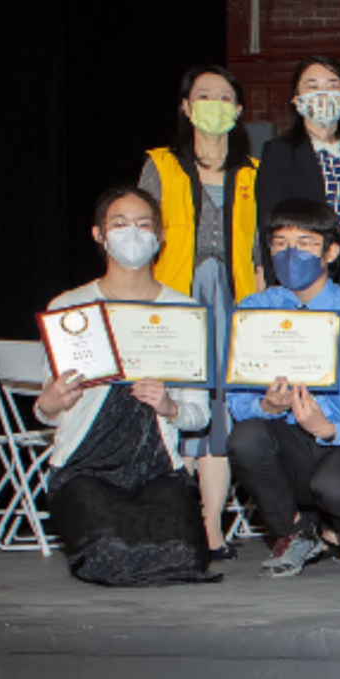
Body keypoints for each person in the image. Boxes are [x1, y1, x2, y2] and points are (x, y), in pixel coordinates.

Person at [35, 187, 214, 587]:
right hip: (85, 466)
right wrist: (49, 401)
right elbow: (46, 410)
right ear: (99, 234)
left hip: (156, 468)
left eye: (142, 224)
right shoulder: (69, 307)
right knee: (108, 554)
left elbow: (199, 416)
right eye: (119, 224)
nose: (132, 234)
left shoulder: (183, 311)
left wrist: (170, 407)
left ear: (160, 236)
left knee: (185, 555)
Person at [225, 199, 340, 578]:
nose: (291, 254)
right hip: (289, 443)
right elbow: (237, 400)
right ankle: (295, 532)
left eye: (305, 243)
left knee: (335, 486)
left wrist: (328, 429)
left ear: (330, 252)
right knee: (246, 439)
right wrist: (268, 406)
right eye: (280, 244)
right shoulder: (254, 311)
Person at [140, 63, 260, 560]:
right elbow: (141, 238)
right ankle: (175, 522)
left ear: (238, 109)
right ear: (187, 108)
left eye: (225, 96)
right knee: (175, 407)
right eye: (204, 95)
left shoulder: (253, 172)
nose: (216, 104)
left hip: (234, 304)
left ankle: (212, 528)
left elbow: (259, 252)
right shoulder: (160, 165)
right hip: (175, 304)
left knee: (219, 413)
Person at [255, 56, 340, 286]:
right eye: (312, 86)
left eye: (332, 85)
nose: (323, 94)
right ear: (296, 99)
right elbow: (270, 223)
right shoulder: (279, 153)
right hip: (301, 278)